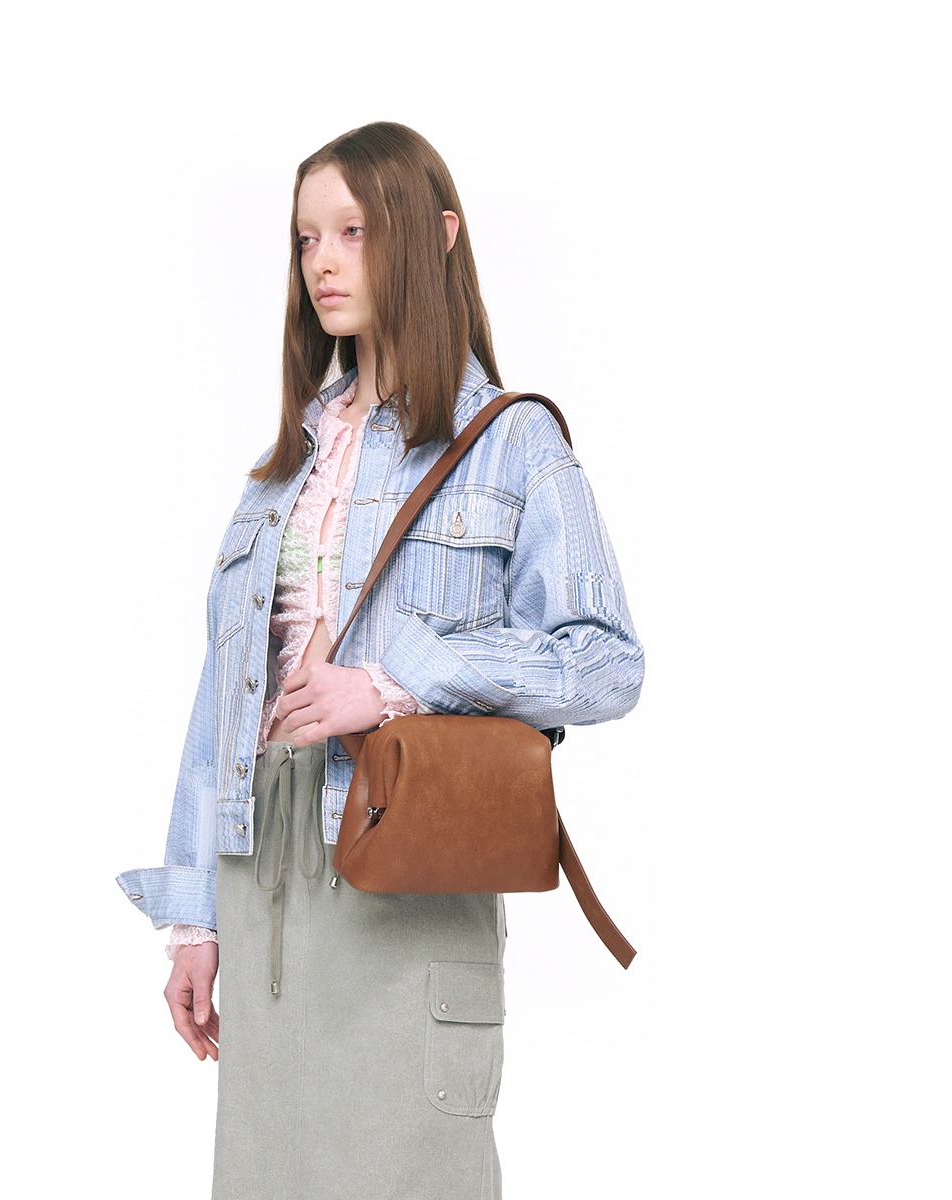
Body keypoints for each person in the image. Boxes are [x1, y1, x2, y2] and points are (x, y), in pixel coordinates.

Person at [117, 120, 644, 1199]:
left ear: (438, 235)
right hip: (265, 877)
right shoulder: (283, 468)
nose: (323, 261)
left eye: (353, 230)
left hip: (407, 876)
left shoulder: (512, 443)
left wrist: (398, 680)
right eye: (307, 235)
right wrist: (195, 918)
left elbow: (605, 663)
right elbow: (221, 702)